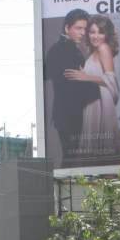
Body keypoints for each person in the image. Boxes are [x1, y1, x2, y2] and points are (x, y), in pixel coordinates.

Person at [44, 9, 101, 158]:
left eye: (85, 29)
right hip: (70, 115)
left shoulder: (64, 49)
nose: (82, 33)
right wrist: (95, 85)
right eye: (78, 28)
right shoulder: (65, 50)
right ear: (67, 28)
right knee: (72, 160)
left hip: (68, 114)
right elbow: (75, 85)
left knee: (72, 159)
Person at [64, 14, 120, 159]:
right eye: (92, 32)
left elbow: (111, 80)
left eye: (100, 32)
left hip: (102, 102)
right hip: (94, 102)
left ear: (106, 34)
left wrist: (86, 76)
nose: (95, 36)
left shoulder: (103, 48)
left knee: (104, 151)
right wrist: (83, 74)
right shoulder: (93, 52)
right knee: (95, 153)